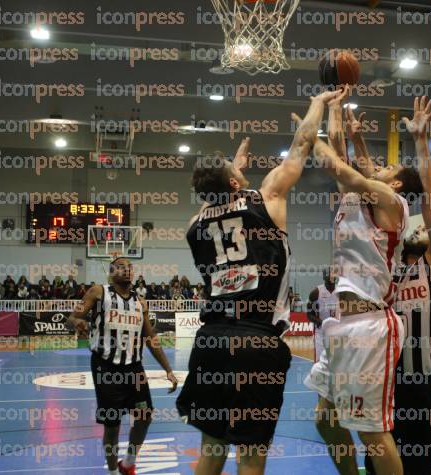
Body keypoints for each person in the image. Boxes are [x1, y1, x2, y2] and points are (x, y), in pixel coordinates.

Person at [176, 90, 340, 475]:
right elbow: (301, 145)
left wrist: (227, 171)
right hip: (256, 341)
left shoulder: (193, 225)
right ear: (235, 185)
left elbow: (212, 200)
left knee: (211, 448)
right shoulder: (266, 198)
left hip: (212, 340)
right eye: (237, 175)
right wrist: (318, 102)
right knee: (251, 451)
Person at [301, 87, 423, 475]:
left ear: (398, 184)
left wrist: (309, 133)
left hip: (372, 326)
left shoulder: (392, 203)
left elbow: (338, 165)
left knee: (373, 432)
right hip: (340, 325)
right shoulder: (357, 197)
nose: (380, 167)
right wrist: (335, 109)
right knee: (326, 420)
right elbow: (340, 154)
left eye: (389, 168)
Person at [366, 96, 431, 475]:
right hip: (388, 381)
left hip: (426, 386)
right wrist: (356, 145)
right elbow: (372, 196)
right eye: (415, 226)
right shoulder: (387, 268)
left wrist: (421, 142)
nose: (422, 227)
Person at [67, 257, 178, 475]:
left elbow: (151, 338)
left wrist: (168, 370)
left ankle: (128, 463)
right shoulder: (97, 292)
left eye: (130, 267)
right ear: (111, 273)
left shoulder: (141, 302)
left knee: (145, 416)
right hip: (106, 367)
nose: (126, 270)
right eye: (121, 266)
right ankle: (113, 472)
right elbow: (71, 317)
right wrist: (77, 322)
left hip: (134, 369)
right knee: (112, 426)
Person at [306, 268, 338, 362]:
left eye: (333, 274)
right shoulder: (316, 292)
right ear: (324, 276)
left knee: (336, 362)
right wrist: (321, 322)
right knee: (319, 361)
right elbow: (309, 314)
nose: (331, 276)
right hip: (321, 332)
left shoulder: (341, 292)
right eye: (329, 274)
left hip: (337, 331)